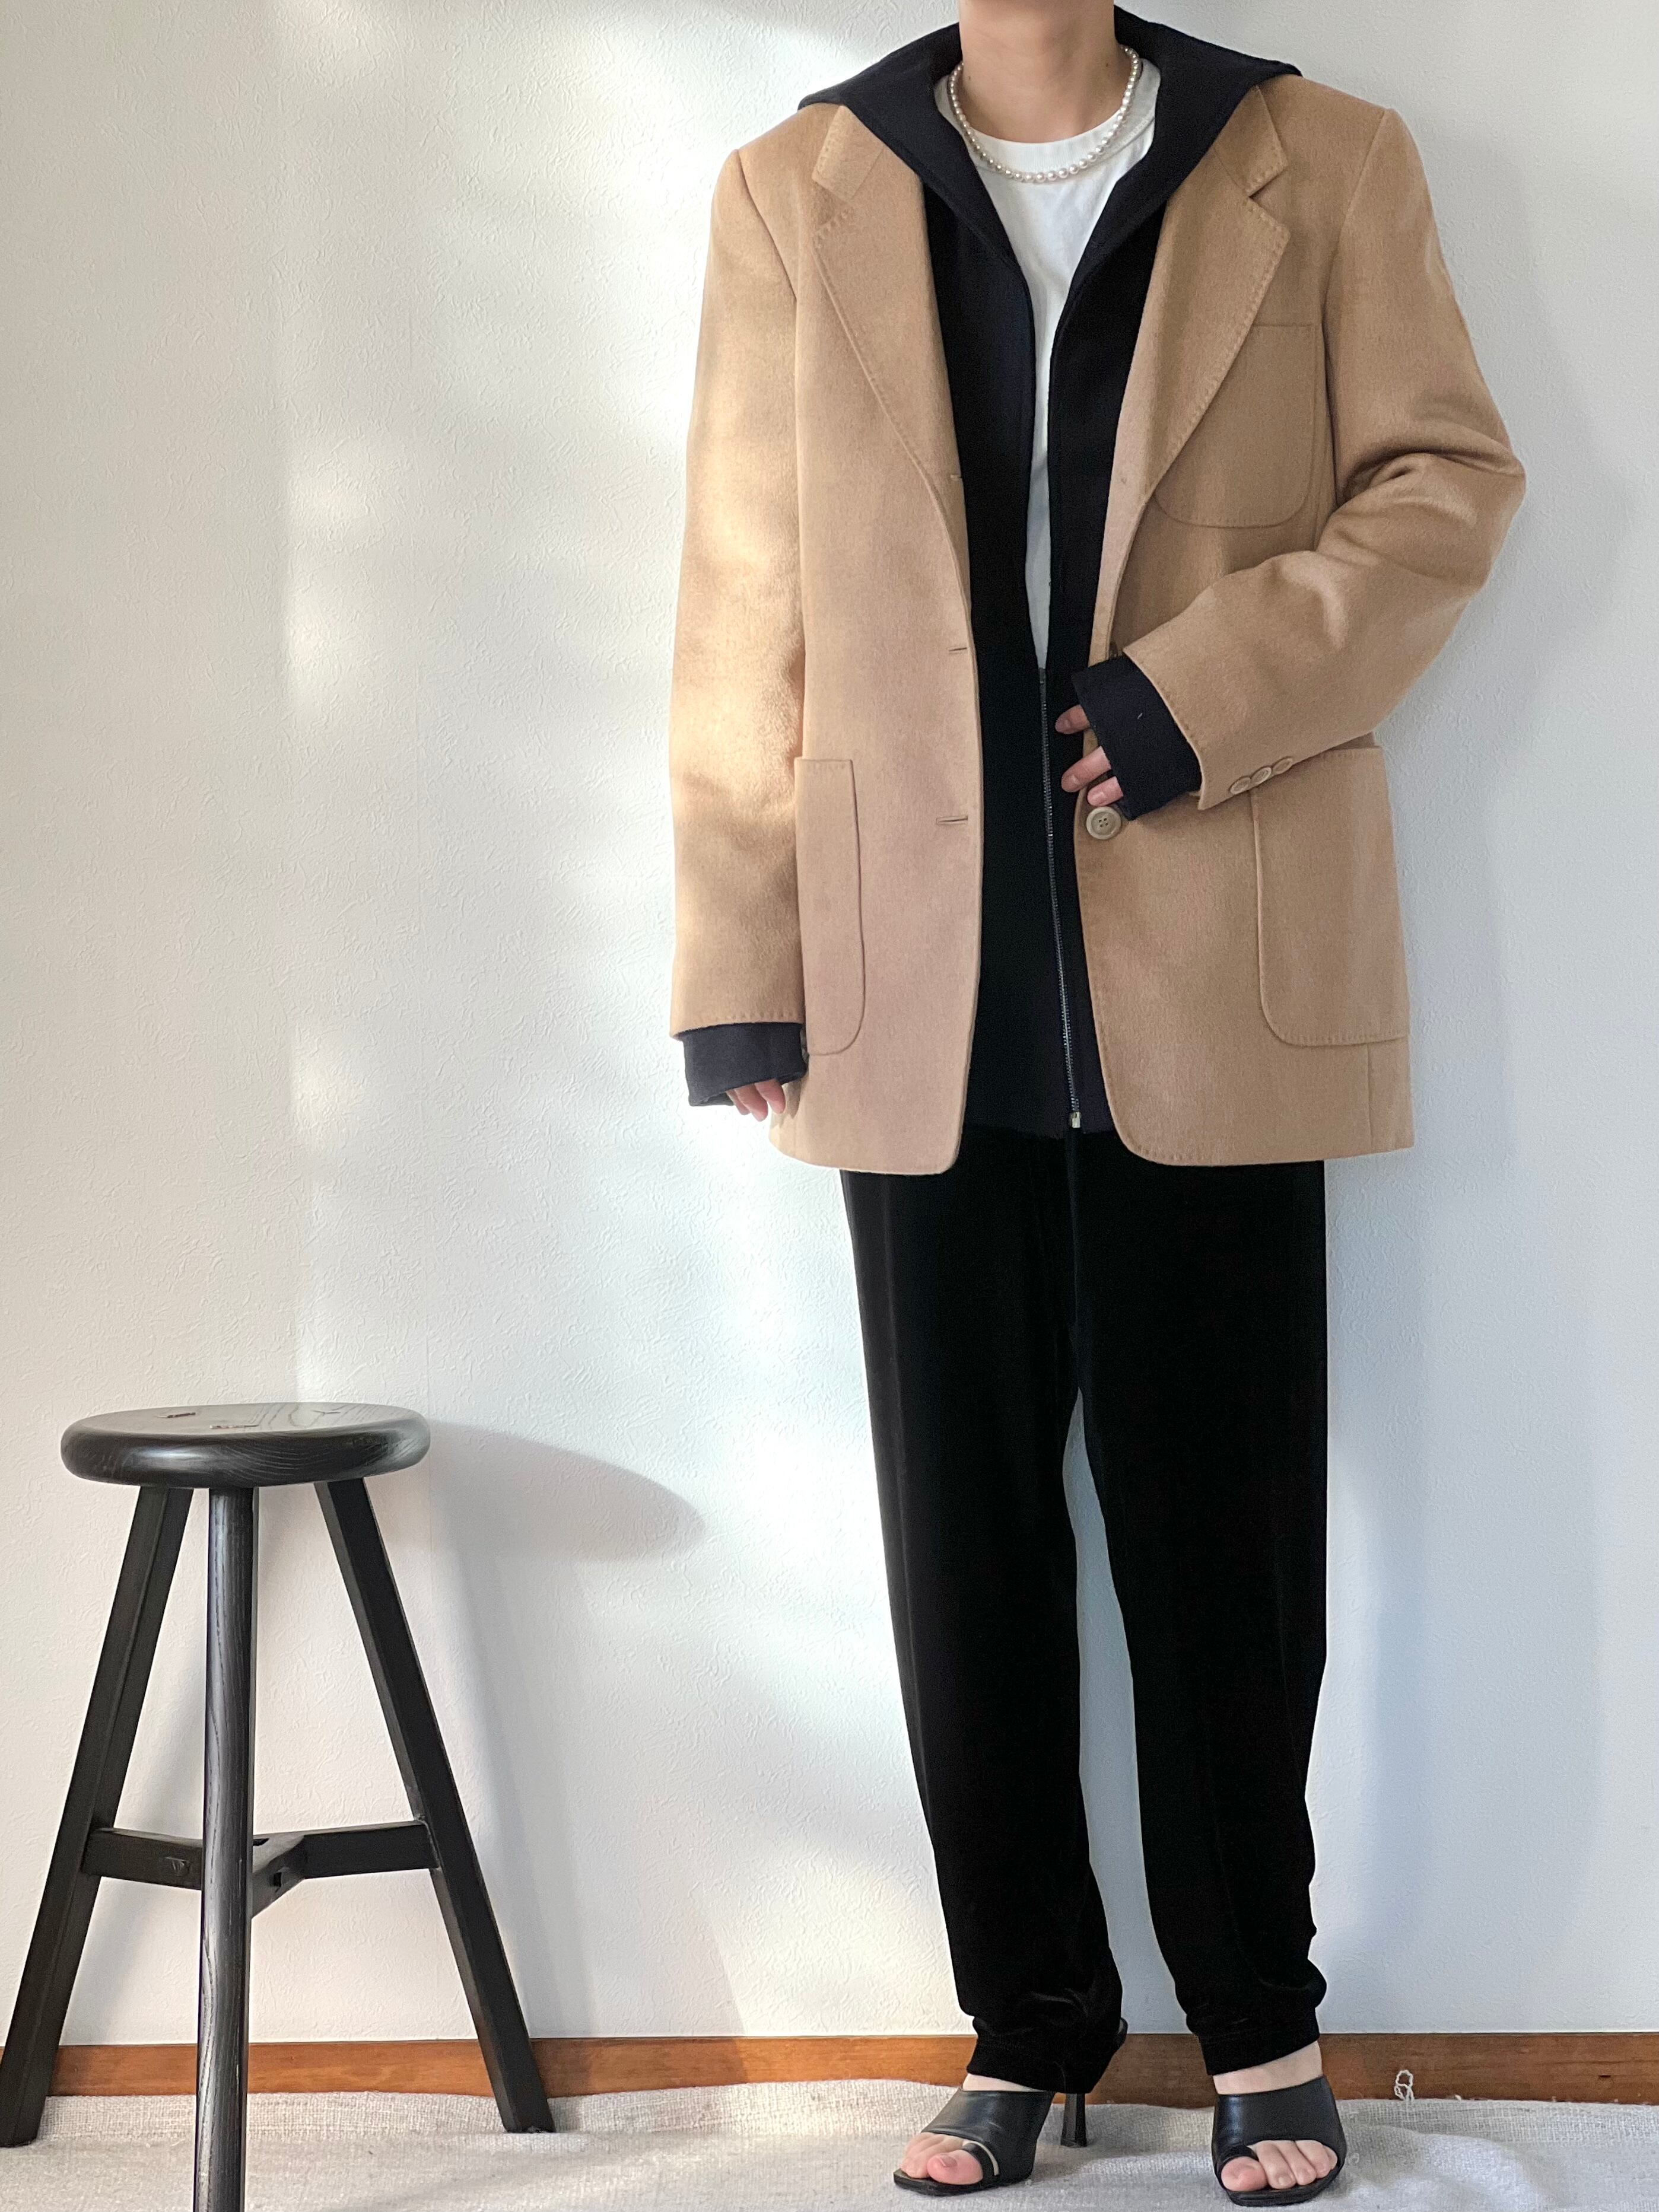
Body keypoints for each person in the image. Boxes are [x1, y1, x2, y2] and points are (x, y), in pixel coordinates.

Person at [666, 1, 1524, 2198]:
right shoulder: (796, 187)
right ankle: (1026, 2025)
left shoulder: (1315, 154)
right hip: (907, 983)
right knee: (962, 1548)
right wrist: (738, 958)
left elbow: (1443, 484)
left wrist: (1195, 694)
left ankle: (1258, 2024)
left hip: (1218, 961)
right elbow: (745, 593)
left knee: (1222, 1545)